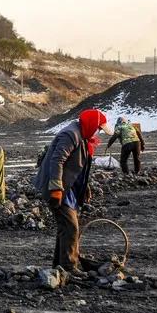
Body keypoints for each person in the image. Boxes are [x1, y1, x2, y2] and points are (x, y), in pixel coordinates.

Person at [34, 109, 113, 276]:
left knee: (66, 226)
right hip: (57, 186)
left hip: (67, 187)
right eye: (98, 128)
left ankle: (60, 265)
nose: (98, 131)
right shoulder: (71, 134)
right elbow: (58, 160)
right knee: (70, 226)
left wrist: (85, 187)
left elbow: (79, 167)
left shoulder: (83, 136)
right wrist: (55, 188)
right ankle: (69, 267)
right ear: (91, 124)